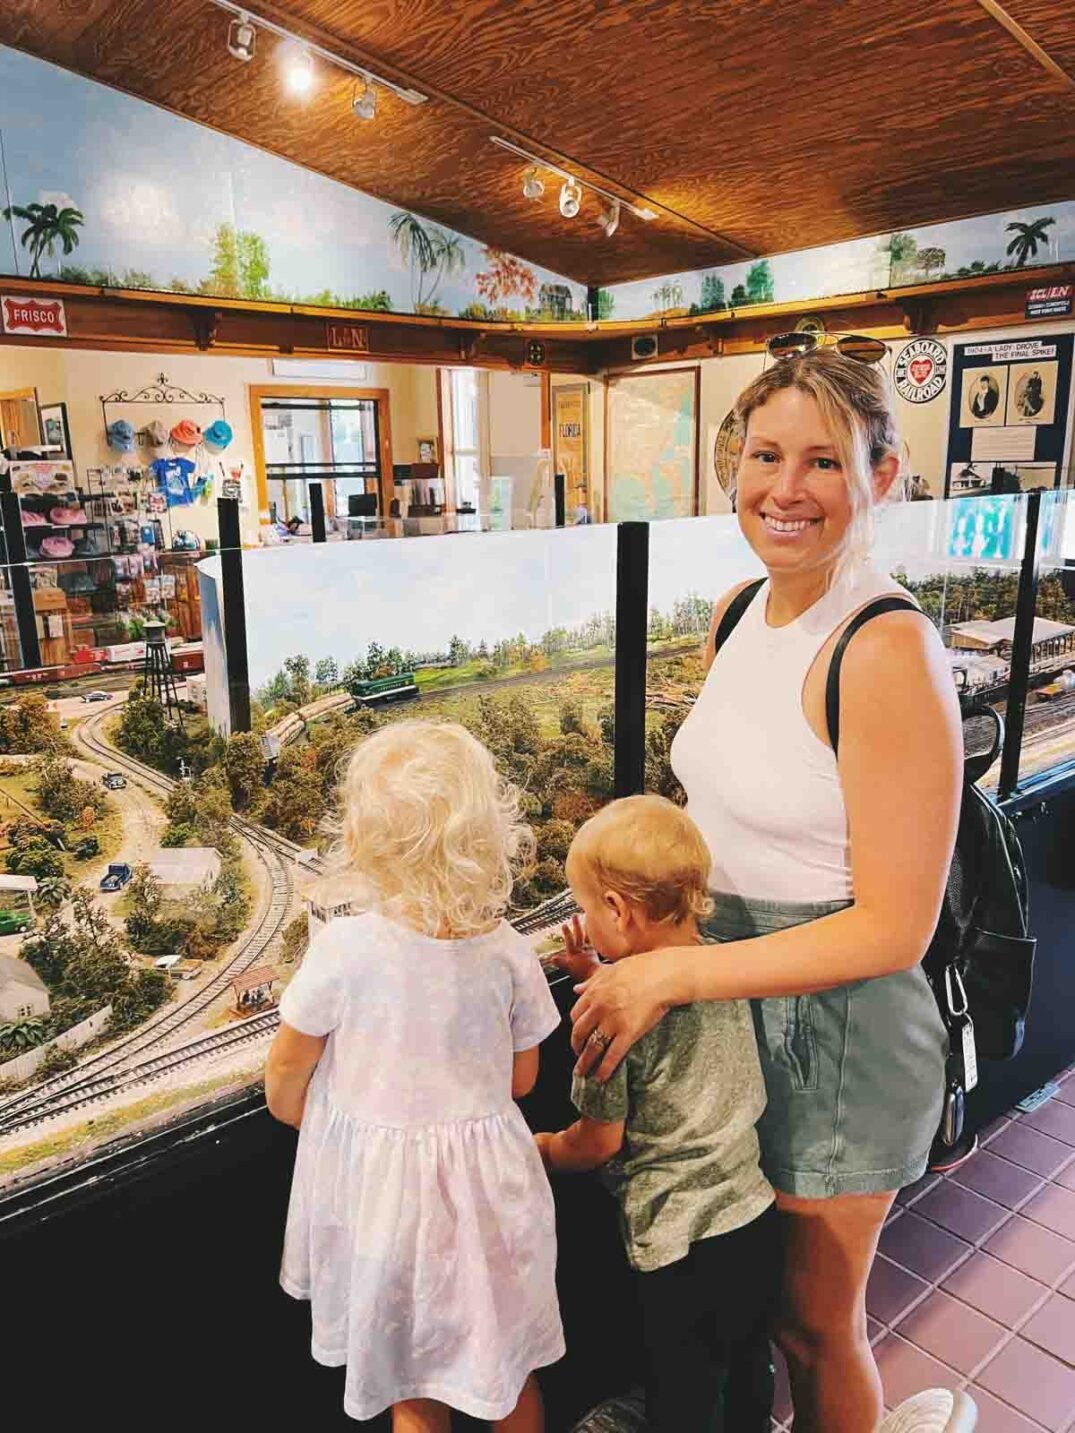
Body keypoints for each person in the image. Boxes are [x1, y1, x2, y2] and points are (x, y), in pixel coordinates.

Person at [570, 350, 962, 1433]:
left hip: (831, 1032)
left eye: (824, 460)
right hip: (727, 1004)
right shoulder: (739, 607)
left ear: (880, 476)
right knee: (743, 1318)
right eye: (764, 454)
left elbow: (894, 926)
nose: (784, 488)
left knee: (808, 1321)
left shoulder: (886, 649)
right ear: (729, 466)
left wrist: (679, 969)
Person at [266, 720, 565, 1432]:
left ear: (365, 838)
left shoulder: (344, 949)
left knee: (412, 1387)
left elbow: (286, 1069)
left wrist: (316, 1122)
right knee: (508, 1370)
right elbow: (522, 1079)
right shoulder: (507, 951)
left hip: (388, 1209)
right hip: (490, 1199)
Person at [536, 795, 781, 1433]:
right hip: (753, 1218)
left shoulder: (610, 1027)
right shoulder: (717, 965)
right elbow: (663, 992)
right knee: (748, 1369)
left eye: (587, 907)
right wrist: (596, 967)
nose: (584, 919)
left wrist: (539, 1149)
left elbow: (597, 1142)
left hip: (680, 1248)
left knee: (684, 1394)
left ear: (616, 909)